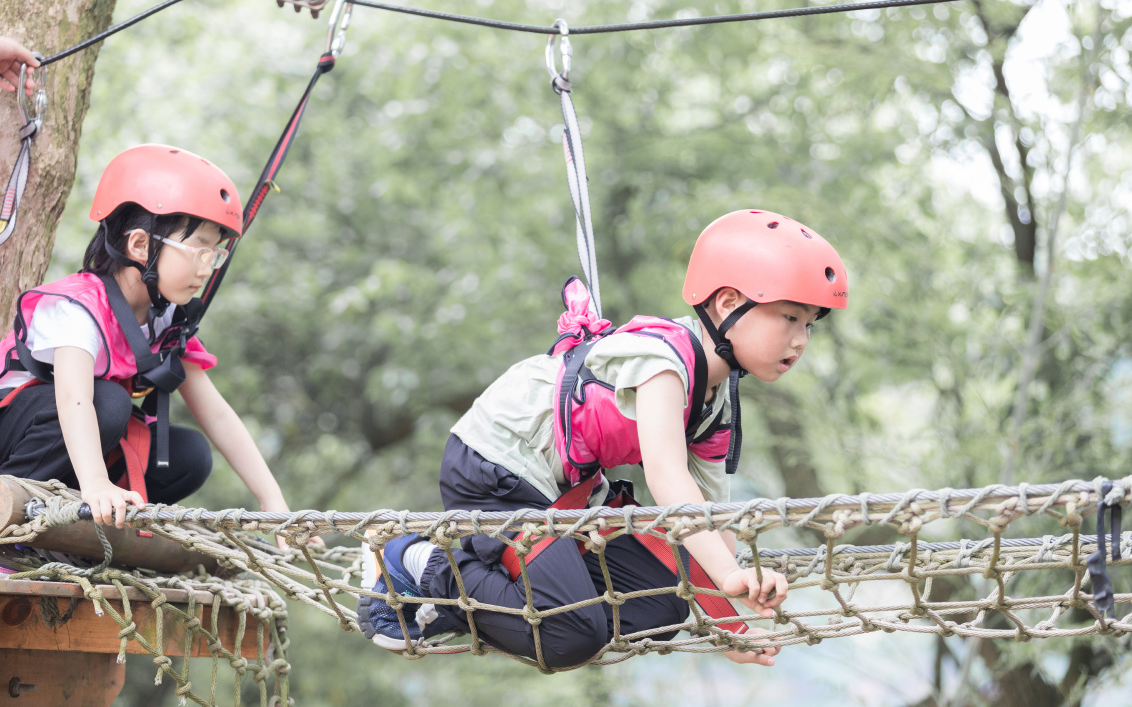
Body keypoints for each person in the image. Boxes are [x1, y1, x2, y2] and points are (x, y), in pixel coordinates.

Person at [359, 209, 850, 668]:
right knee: (568, 633)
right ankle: (415, 561)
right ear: (728, 303)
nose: (801, 340)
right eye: (789, 317)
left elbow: (709, 512)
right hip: (496, 468)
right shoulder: (664, 362)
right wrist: (728, 579)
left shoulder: (716, 402)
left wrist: (731, 621)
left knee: (659, 606)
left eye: (809, 325)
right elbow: (666, 478)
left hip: (562, 492)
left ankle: (469, 596)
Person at [0, 144, 295, 531]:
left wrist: (272, 501)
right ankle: (13, 519)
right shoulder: (79, 309)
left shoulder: (166, 323)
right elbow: (74, 400)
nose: (207, 269)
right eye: (198, 251)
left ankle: (79, 530)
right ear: (140, 245)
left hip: (74, 449)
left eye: (215, 255)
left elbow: (218, 415)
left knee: (189, 454)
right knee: (108, 402)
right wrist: (96, 484)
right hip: (16, 435)